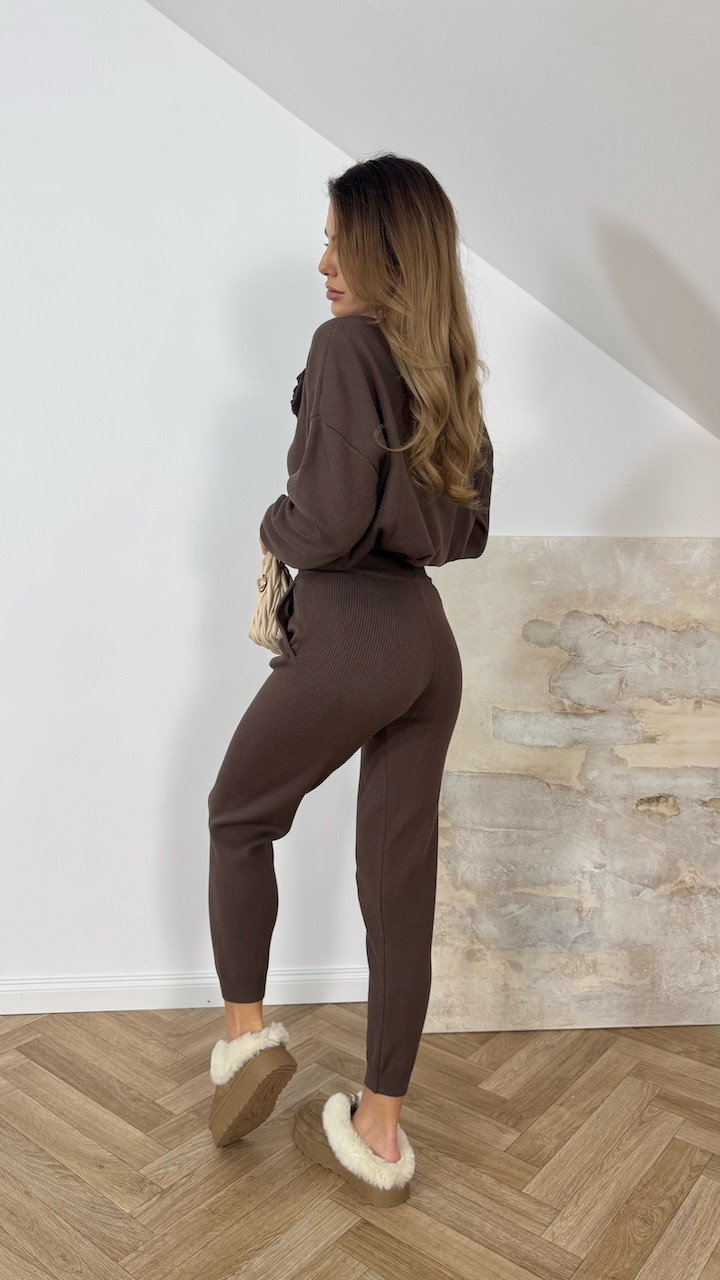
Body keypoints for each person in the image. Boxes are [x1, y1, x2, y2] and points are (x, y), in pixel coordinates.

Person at [206, 153, 494, 1204]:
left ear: (384, 248)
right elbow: (468, 530)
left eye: (338, 239)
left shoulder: (342, 345)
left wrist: (270, 524)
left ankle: (245, 1038)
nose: (323, 261)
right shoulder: (445, 360)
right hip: (427, 645)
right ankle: (379, 1126)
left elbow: (323, 522)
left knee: (238, 814)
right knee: (398, 887)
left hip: (353, 634)